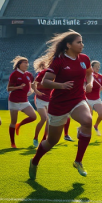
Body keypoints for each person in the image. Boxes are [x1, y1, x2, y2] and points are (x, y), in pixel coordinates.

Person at [29, 30, 94, 179]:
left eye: (82, 41)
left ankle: (78, 161)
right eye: (79, 42)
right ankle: (34, 161)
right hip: (59, 104)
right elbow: (45, 82)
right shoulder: (59, 61)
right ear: (68, 45)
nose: (82, 45)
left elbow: (89, 72)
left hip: (78, 99)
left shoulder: (84, 59)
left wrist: (89, 83)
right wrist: (61, 85)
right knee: (52, 141)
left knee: (87, 121)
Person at [7, 56, 37, 149]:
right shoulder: (14, 74)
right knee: (13, 121)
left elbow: (32, 84)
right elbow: (8, 88)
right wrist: (18, 87)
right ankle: (13, 143)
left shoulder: (29, 74)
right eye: (25, 63)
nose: (27, 65)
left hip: (24, 100)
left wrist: (32, 91)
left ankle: (19, 125)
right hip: (14, 101)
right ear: (19, 65)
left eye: (27, 63)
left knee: (33, 116)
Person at [30, 60, 51, 148]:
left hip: (50, 99)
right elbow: (33, 84)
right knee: (44, 118)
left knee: (49, 120)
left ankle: (44, 139)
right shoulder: (43, 73)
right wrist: (36, 91)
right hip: (40, 99)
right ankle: (35, 138)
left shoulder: (57, 73)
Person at [86, 61, 102, 137]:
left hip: (97, 98)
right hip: (88, 98)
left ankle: (96, 125)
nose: (98, 68)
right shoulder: (88, 76)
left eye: (98, 66)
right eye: (96, 66)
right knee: (89, 117)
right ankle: (84, 130)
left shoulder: (101, 77)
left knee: (101, 114)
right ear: (92, 67)